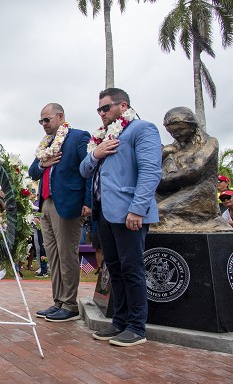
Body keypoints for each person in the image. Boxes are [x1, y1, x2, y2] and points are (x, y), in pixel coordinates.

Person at [80, 87, 162, 346]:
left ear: (123, 106)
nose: (101, 113)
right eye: (99, 109)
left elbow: (150, 171)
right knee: (114, 268)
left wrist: (138, 208)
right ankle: (119, 321)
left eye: (106, 108)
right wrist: (97, 153)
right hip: (104, 213)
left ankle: (137, 328)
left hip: (130, 213)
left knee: (132, 269)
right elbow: (84, 170)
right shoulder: (101, 138)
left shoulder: (142, 129)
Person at [29, 103, 91, 322]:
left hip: (67, 204)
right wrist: (43, 164)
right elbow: (32, 171)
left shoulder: (78, 137)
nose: (44, 124)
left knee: (66, 255)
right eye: (41, 121)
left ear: (60, 116)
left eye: (47, 120)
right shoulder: (45, 144)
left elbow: (89, 170)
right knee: (52, 255)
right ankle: (58, 302)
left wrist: (88, 202)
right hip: (45, 203)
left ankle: (71, 305)